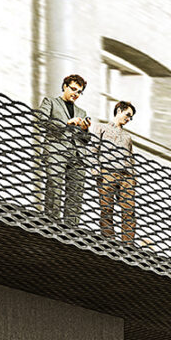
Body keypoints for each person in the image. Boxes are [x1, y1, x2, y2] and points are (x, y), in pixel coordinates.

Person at [36, 72, 92, 224]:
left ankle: (71, 229)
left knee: (76, 193)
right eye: (73, 89)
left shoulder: (82, 112)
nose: (76, 94)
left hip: (78, 156)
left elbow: (86, 140)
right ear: (65, 86)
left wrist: (85, 129)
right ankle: (51, 223)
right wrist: (67, 124)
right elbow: (41, 121)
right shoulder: (51, 102)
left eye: (79, 92)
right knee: (55, 186)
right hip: (56, 151)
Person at [95, 100, 138, 244]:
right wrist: (96, 170)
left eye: (131, 117)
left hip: (126, 175)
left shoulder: (127, 137)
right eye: (128, 115)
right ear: (119, 110)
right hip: (107, 172)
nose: (129, 119)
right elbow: (93, 149)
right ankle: (109, 240)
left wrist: (133, 177)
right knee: (106, 208)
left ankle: (128, 244)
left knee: (129, 210)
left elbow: (131, 157)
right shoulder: (101, 128)